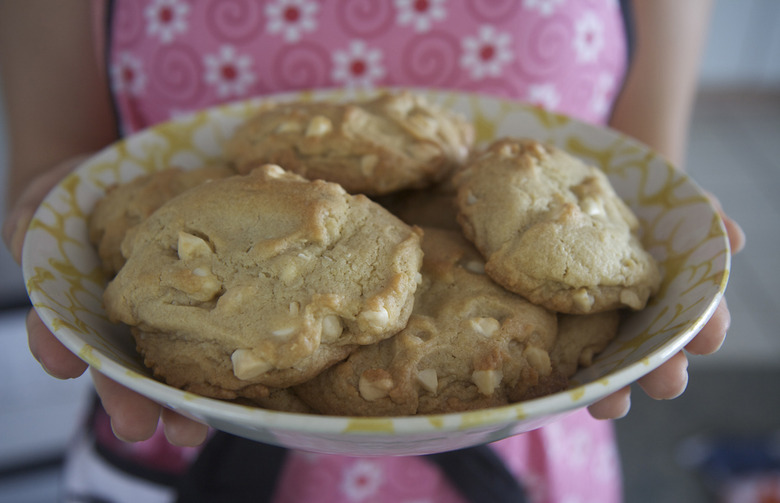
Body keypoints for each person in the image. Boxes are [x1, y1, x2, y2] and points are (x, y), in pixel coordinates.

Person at [0, 0, 746, 501]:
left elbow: (631, 174)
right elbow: (59, 161)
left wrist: (668, 232)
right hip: (182, 440)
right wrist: (48, 204)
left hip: (535, 437)